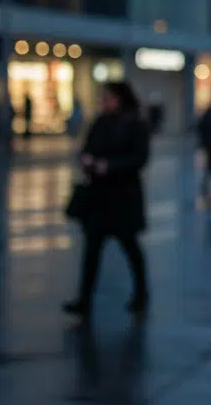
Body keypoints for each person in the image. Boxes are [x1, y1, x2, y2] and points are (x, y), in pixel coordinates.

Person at [63, 81, 151, 319]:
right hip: (99, 197)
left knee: (130, 247)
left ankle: (142, 293)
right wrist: (87, 160)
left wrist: (110, 166)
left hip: (123, 197)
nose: (104, 101)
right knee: (92, 249)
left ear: (120, 98)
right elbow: (87, 147)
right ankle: (84, 300)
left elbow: (139, 158)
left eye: (108, 97)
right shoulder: (100, 122)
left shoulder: (134, 123)